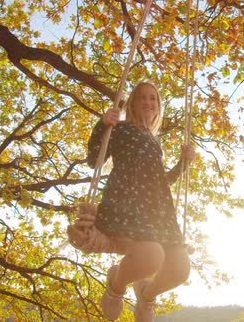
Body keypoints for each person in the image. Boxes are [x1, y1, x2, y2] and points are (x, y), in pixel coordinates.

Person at [86, 81, 195, 322]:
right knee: (151, 257)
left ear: (158, 106)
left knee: (180, 269)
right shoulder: (120, 129)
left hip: (156, 212)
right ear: (132, 103)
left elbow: (159, 181)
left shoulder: (154, 141)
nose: (148, 102)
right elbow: (94, 159)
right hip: (125, 204)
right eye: (142, 98)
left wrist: (182, 165)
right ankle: (116, 286)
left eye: (153, 98)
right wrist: (102, 124)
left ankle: (147, 295)